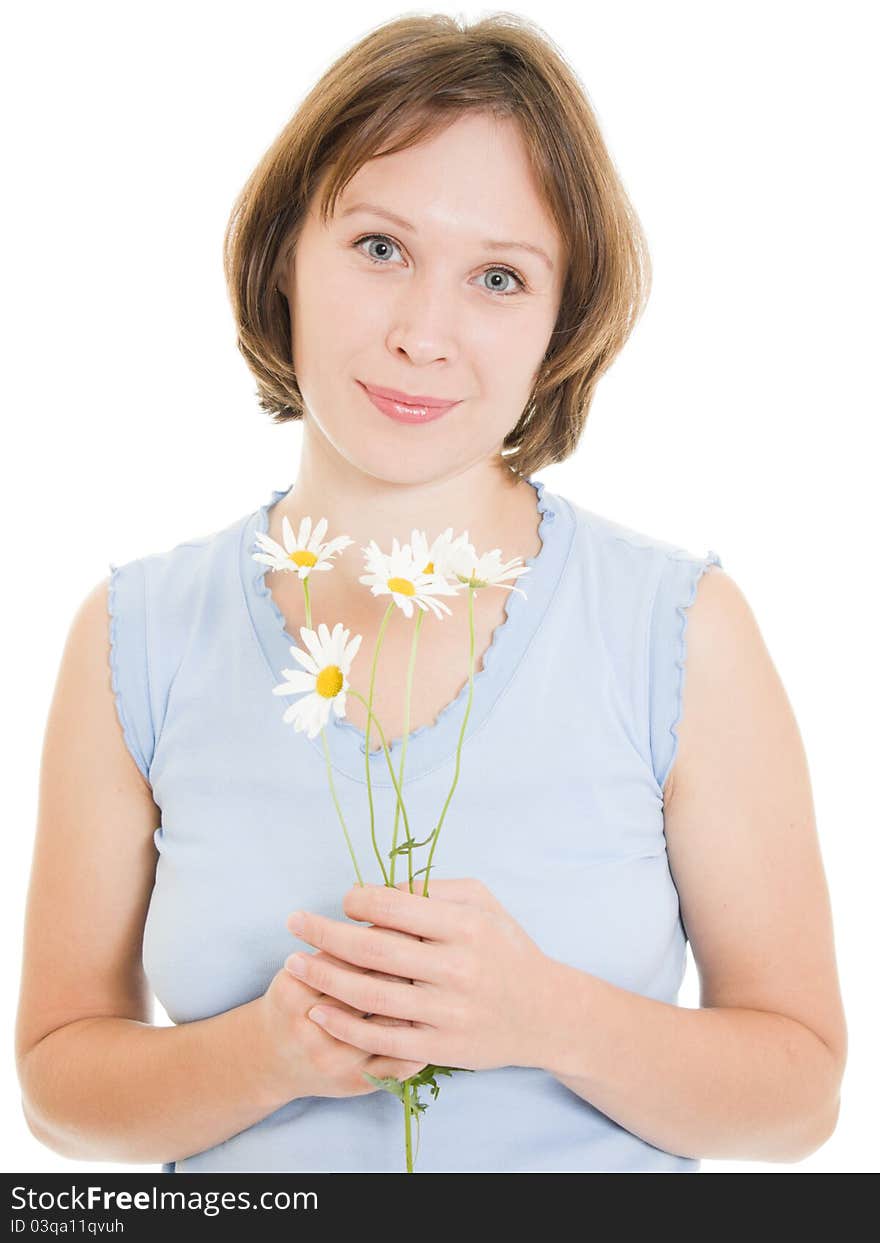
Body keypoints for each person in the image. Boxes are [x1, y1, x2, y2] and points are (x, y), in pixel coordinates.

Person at [15, 13, 846, 1174]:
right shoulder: (137, 634)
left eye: (498, 277)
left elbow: (798, 1095)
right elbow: (59, 1084)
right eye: (378, 248)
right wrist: (267, 1053)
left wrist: (547, 1015)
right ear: (283, 257)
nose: (422, 335)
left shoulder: (678, 626)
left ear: (558, 324)